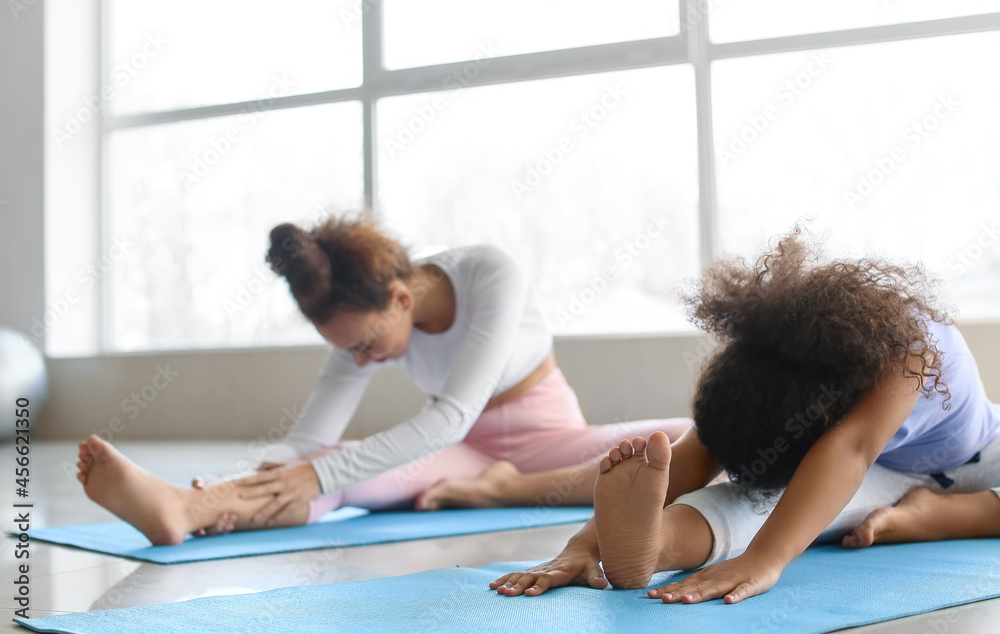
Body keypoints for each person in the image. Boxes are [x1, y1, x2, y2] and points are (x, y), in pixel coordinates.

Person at [76, 214, 690, 545]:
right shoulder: (360, 322)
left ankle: (508, 489)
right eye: (348, 350)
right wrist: (233, 478)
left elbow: (449, 412)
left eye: (367, 344)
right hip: (461, 455)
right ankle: (186, 509)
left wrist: (313, 469)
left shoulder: (491, 273)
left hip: (549, 439)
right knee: (336, 469)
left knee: (684, 438)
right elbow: (309, 442)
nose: (362, 361)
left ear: (400, 297)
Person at [489, 230, 1000, 604]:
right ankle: (654, 546)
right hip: (886, 470)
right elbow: (697, 453)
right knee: (761, 503)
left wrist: (765, 559)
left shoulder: (910, 349)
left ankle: (935, 516)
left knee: (786, 509)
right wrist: (586, 543)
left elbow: (849, 448)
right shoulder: (761, 367)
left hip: (984, 453)